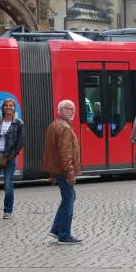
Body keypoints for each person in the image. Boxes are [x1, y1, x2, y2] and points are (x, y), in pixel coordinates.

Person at [44, 100, 81, 244]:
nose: (72, 111)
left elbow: (51, 152)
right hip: (63, 170)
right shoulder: (64, 128)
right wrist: (69, 173)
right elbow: (65, 153)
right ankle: (64, 235)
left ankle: (56, 229)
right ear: (61, 111)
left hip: (58, 170)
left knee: (69, 197)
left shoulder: (54, 125)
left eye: (74, 109)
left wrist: (52, 173)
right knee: (68, 201)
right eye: (69, 109)